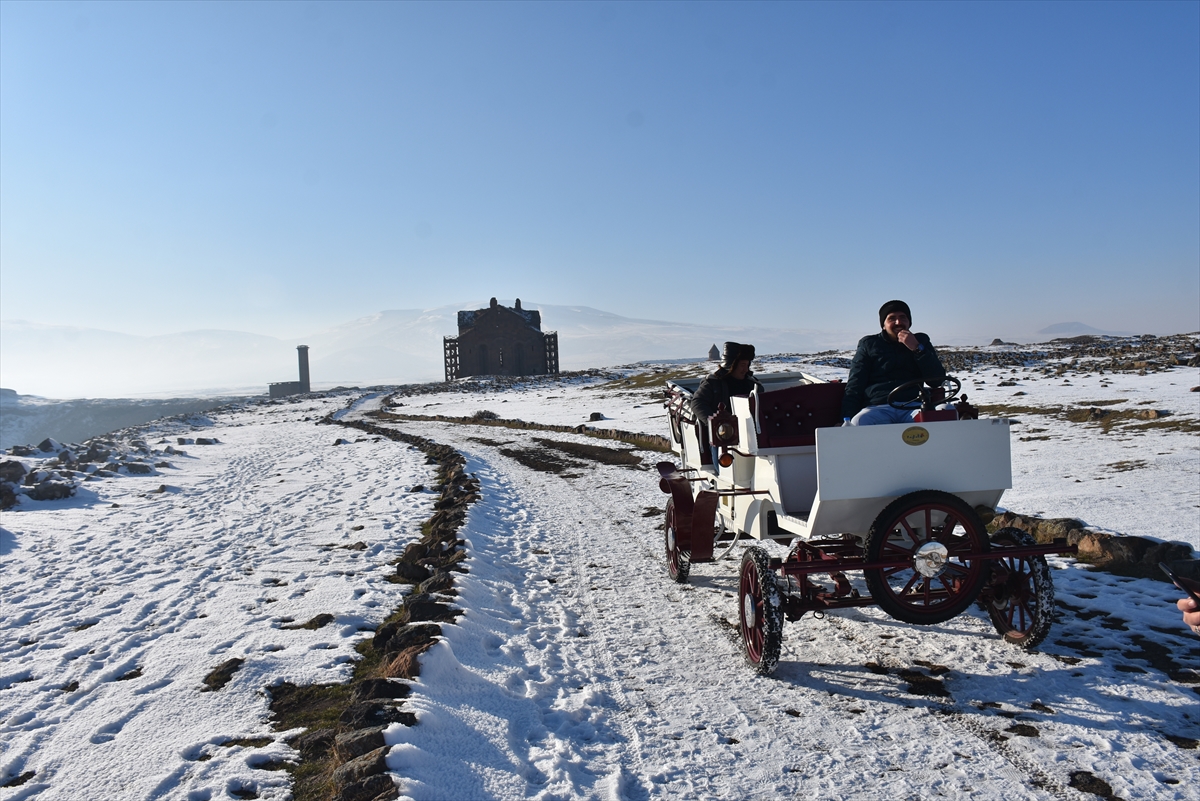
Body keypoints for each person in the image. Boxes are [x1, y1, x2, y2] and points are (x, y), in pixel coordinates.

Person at [841, 300, 950, 426]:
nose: (898, 322)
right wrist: (846, 417)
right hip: (878, 407)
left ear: (909, 322)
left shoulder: (921, 341)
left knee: (944, 414)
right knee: (859, 421)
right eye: (892, 318)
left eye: (902, 317)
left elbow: (936, 380)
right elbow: (855, 384)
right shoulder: (869, 344)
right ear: (884, 324)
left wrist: (917, 348)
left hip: (914, 406)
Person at [692, 342, 762, 466]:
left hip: (751, 436)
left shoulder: (753, 385)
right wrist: (716, 424)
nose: (746, 369)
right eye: (742, 365)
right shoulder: (712, 383)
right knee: (724, 466)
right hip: (723, 438)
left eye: (747, 365)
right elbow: (698, 403)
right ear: (731, 365)